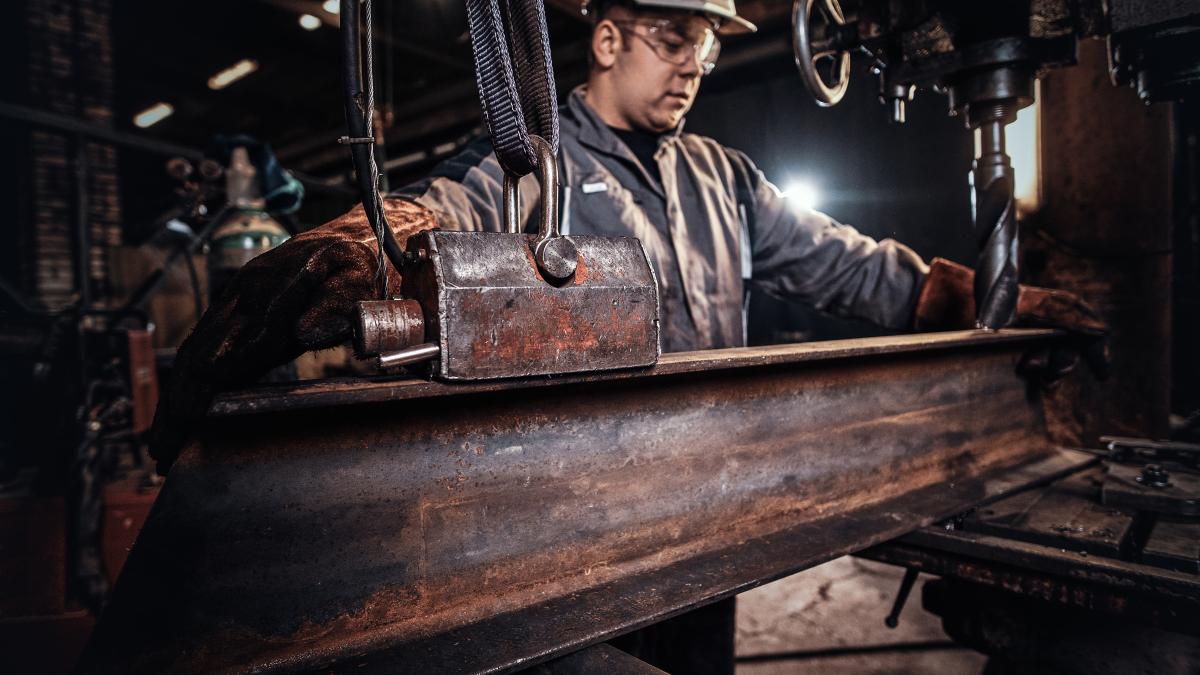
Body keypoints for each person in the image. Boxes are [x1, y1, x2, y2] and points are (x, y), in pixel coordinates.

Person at [148, 1, 1106, 671]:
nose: (695, 62)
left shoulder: (725, 176)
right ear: (606, 39)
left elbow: (850, 268)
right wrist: (355, 251)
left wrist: (994, 304)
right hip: (575, 537)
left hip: (721, 512)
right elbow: (440, 212)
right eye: (672, 36)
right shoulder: (536, 165)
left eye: (707, 45)